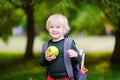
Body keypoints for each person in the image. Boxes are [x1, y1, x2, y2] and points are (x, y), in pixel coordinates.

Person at [39, 13, 82, 80]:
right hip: (51, 77)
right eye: (51, 27)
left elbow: (79, 60)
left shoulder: (69, 43)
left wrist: (75, 55)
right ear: (48, 29)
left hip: (66, 77)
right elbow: (41, 62)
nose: (54, 29)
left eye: (58, 27)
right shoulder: (46, 45)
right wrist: (46, 59)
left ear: (64, 29)